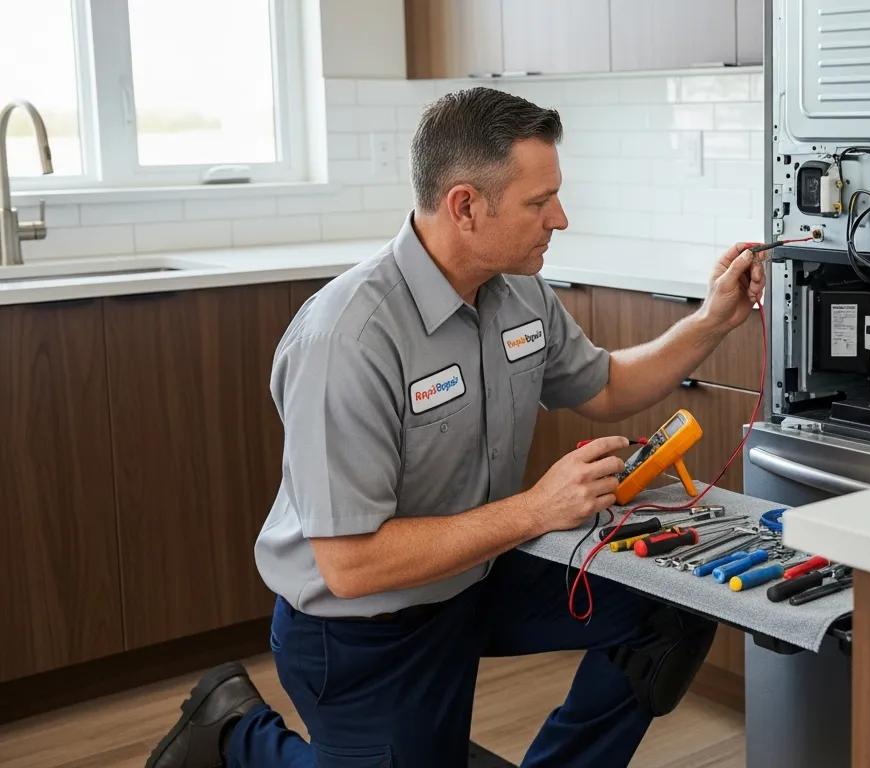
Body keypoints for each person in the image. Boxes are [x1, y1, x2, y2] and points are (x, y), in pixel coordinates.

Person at [146, 87, 765, 768]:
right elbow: (351, 566)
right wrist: (536, 509)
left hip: (479, 576)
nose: (559, 217)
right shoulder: (348, 338)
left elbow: (608, 385)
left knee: (672, 604)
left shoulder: (520, 291)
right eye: (538, 202)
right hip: (362, 625)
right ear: (466, 205)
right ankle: (233, 732)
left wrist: (710, 320)